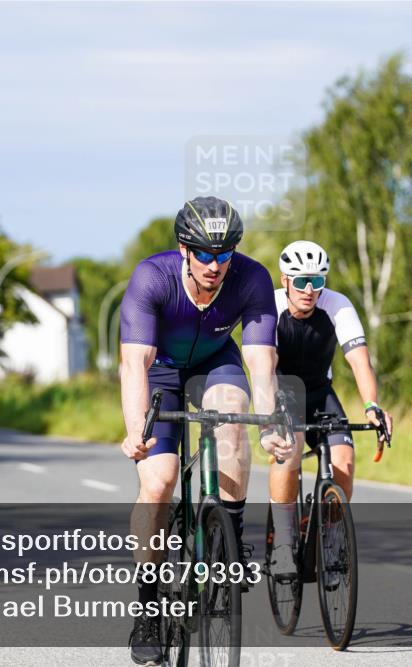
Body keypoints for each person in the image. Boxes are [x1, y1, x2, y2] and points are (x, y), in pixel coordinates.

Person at [119, 196, 292, 665]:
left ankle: (229, 537)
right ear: (184, 249)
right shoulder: (151, 278)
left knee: (233, 417)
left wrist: (271, 419)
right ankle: (150, 606)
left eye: (225, 254)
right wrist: (137, 430)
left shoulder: (252, 277)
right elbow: (135, 362)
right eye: (205, 255)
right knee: (158, 482)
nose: (216, 265)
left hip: (217, 362)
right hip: (161, 372)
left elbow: (260, 359)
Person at [267, 240, 394, 580]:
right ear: (285, 280)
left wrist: (371, 406)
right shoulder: (270, 305)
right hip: (282, 391)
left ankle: (330, 538)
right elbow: (265, 365)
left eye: (318, 281)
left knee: (345, 462)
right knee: (289, 452)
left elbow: (359, 361)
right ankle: (282, 542)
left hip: (320, 393)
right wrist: (273, 412)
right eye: (301, 281)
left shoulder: (337, 305)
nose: (310, 290)